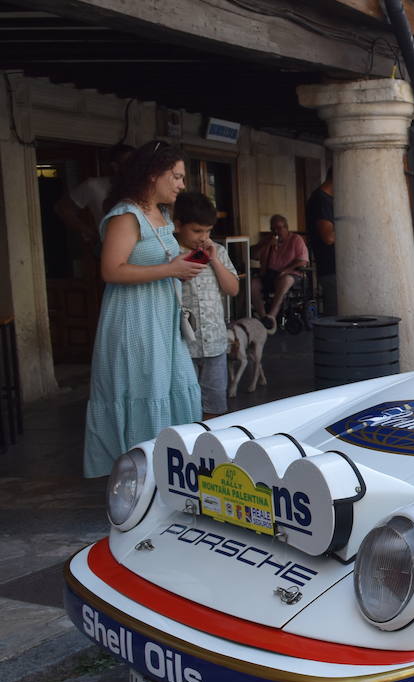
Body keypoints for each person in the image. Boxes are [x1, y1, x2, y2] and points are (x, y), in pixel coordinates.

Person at [82, 140, 204, 478]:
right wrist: (171, 270)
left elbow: (157, 261)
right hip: (134, 318)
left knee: (172, 384)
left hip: (161, 317)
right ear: (154, 175)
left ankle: (170, 469)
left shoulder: (160, 214)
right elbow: (111, 269)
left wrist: (182, 264)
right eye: (176, 177)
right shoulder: (126, 215)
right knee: (143, 388)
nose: (182, 184)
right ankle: (141, 474)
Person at [173, 191, 239, 419]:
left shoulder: (217, 251)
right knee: (185, 406)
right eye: (197, 231)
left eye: (208, 231)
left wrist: (214, 260)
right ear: (178, 224)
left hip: (215, 343)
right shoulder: (170, 255)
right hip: (182, 346)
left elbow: (232, 289)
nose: (203, 237)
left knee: (215, 406)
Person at [55, 144, 134, 274]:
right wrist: (90, 232)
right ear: (115, 166)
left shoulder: (142, 189)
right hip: (112, 250)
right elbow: (63, 208)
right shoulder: (94, 186)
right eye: (129, 164)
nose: (135, 169)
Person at [252, 215, 309, 328]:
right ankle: (264, 317)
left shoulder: (296, 239)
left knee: (285, 280)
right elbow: (253, 255)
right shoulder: (267, 240)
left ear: (286, 227)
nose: (276, 232)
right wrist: (267, 244)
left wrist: (286, 270)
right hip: (268, 274)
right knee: (252, 284)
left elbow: (302, 261)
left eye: (279, 228)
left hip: (290, 274)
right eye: (273, 229)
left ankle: (272, 315)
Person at [305, 170, 337, 315]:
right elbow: (328, 237)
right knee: (336, 314)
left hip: (335, 268)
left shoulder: (326, 199)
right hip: (331, 267)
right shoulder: (320, 200)